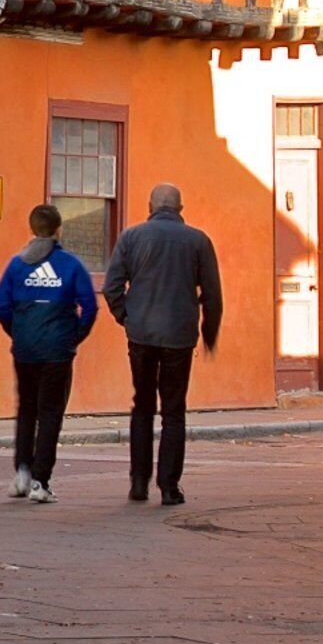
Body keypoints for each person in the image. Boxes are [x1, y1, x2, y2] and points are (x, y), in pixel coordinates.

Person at [101, 181, 224, 506]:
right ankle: (169, 485)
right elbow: (212, 294)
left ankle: (138, 482)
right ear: (180, 209)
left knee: (142, 405)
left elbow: (112, 285)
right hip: (179, 337)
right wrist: (209, 333)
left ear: (150, 207)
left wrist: (126, 317)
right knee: (173, 410)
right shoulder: (198, 241)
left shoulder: (131, 237)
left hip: (141, 334)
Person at [0, 203, 97, 502]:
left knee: (26, 409)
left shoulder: (16, 265)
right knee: (50, 413)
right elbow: (89, 306)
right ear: (58, 230)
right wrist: (74, 336)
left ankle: (22, 472)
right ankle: (41, 481)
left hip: (25, 350)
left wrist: (18, 331)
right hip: (57, 351)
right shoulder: (70, 265)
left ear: (32, 229)